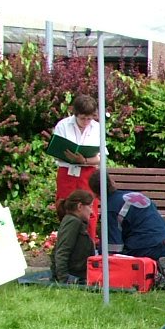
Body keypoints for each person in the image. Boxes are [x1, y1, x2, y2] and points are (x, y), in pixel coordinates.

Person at [88, 173, 165, 286]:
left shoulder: (110, 208)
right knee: (148, 266)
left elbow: (113, 248)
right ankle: (162, 272)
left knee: (126, 267)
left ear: (96, 194)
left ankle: (156, 277)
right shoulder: (132, 195)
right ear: (112, 182)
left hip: (143, 245)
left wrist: (99, 256)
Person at [52, 94, 102, 240]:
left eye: (89, 118)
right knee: (65, 208)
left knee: (89, 210)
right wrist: (69, 157)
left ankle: (89, 248)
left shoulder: (97, 128)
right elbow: (56, 152)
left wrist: (84, 160)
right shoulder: (63, 125)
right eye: (82, 118)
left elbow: (100, 158)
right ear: (75, 114)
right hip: (67, 172)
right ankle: (68, 246)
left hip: (88, 173)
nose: (86, 122)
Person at [50, 188, 95, 284]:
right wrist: (64, 280)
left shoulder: (75, 222)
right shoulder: (72, 222)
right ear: (79, 206)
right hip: (73, 277)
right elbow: (62, 251)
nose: (92, 212)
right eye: (90, 207)